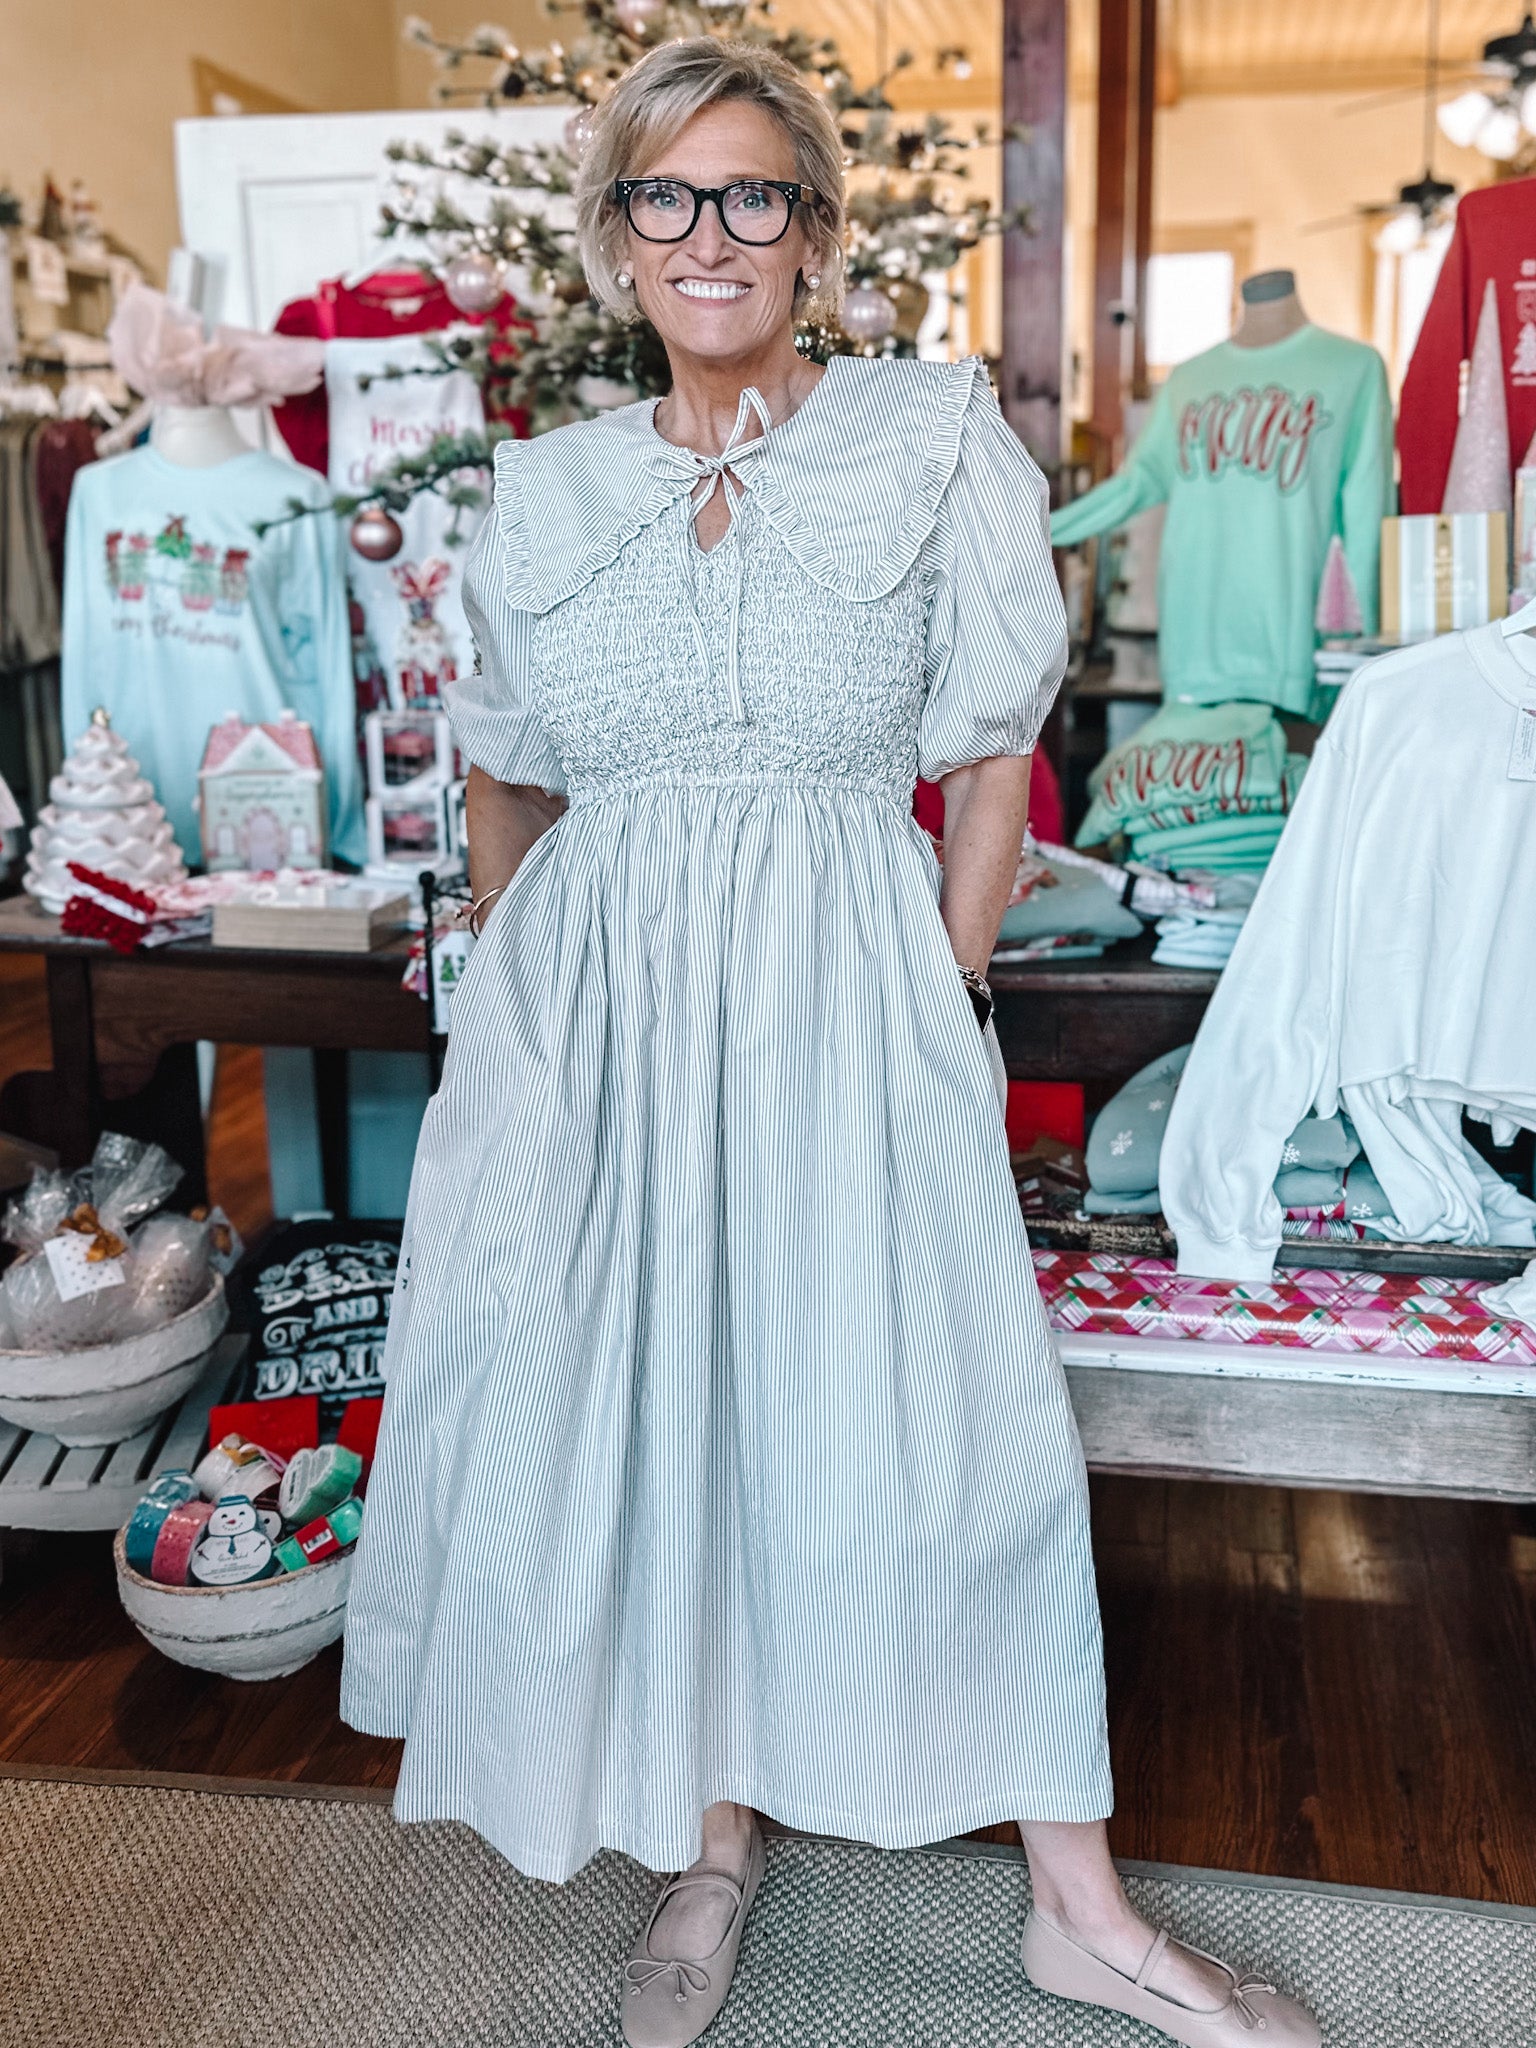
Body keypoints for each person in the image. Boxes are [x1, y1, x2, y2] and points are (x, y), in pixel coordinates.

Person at [339, 37, 1320, 2048]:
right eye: (666, 194)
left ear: (812, 231)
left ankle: (1079, 1908)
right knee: (672, 1427)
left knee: (958, 1445)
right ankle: (710, 1847)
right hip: (601, 1037)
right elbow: (507, 774)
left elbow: (990, 763)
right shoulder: (546, 490)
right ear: (617, 236)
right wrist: (519, 1002)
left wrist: (945, 994)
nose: (709, 233)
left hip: (853, 1007)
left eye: (752, 193)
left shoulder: (930, 441)